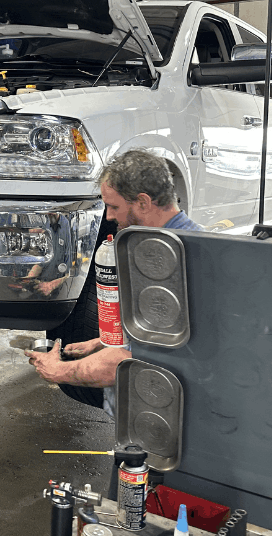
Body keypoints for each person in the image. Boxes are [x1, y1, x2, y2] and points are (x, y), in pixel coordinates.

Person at [24, 149, 202, 418]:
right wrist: (101, 343)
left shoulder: (173, 262)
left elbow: (130, 363)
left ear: (142, 202)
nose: (107, 216)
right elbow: (158, 341)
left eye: (114, 206)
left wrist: (57, 371)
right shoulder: (179, 243)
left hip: (165, 417)